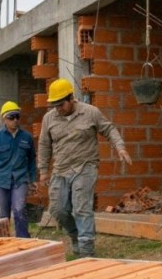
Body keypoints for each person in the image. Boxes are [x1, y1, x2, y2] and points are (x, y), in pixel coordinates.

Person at [37, 78, 132, 257]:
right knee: (57, 210)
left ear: (71, 98)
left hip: (85, 166)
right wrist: (43, 170)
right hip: (60, 169)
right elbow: (44, 145)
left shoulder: (90, 112)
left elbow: (109, 129)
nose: (58, 108)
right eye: (54, 105)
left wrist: (120, 147)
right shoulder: (48, 119)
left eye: (61, 104)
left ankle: (86, 249)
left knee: (81, 207)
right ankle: (75, 235)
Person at [0, 101, 37, 238]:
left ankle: (23, 240)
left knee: (19, 209)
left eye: (17, 116)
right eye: (11, 117)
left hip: (20, 179)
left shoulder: (26, 137)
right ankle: (4, 241)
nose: (15, 120)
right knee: (3, 214)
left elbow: (32, 160)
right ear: (4, 118)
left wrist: (33, 180)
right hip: (0, 181)